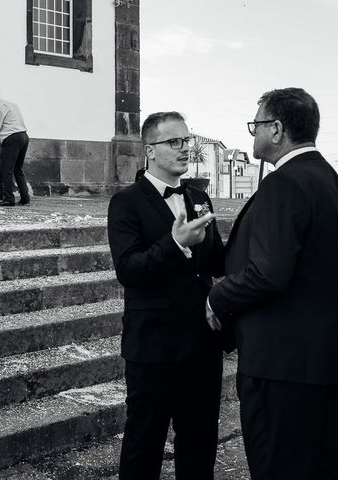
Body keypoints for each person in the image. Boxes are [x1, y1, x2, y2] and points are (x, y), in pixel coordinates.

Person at [207, 88, 338, 480]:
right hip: (321, 360)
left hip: (281, 366)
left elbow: (269, 273)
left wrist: (218, 296)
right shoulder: (328, 178)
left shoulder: (285, 183)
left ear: (277, 129)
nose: (253, 134)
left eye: (258, 124)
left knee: (277, 467)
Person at [108, 111, 225, 479]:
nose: (185, 148)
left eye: (186, 141)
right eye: (174, 142)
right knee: (144, 446)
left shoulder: (199, 197)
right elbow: (129, 269)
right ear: (150, 151)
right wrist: (175, 244)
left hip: (202, 344)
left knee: (200, 443)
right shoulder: (126, 203)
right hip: (153, 346)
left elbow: (218, 261)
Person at [0, 89, 30, 207]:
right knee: (18, 169)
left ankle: (8, 199)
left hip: (12, 138)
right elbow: (8, 121)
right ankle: (25, 199)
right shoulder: (12, 105)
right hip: (23, 136)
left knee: (5, 169)